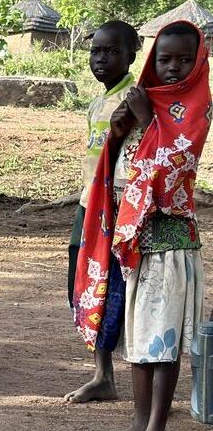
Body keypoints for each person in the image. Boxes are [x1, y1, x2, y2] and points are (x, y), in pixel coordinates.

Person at [78, 21, 210, 431]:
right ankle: (137, 424)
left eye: (184, 60)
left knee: (162, 340)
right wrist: (120, 130)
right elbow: (118, 160)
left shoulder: (195, 107)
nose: (173, 68)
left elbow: (176, 167)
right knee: (138, 336)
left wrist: (146, 121)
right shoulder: (144, 100)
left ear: (200, 62)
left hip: (169, 239)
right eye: (164, 59)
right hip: (135, 239)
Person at [63, 21, 138, 404]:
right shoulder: (98, 102)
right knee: (85, 283)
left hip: (116, 207)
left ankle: (122, 379)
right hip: (87, 205)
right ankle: (102, 374)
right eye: (96, 51)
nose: (101, 59)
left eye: (111, 52)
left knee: (113, 289)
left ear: (132, 54)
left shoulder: (135, 99)